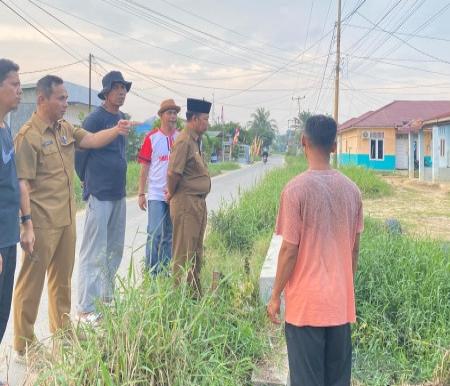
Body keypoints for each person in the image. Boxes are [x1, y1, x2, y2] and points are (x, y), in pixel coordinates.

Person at [13, 75, 134, 360]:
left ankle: (62, 331)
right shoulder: (28, 136)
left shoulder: (65, 129)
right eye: (61, 98)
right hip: (41, 223)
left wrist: (117, 130)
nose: (66, 104)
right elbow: (22, 186)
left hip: (66, 220)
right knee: (31, 284)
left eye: (67, 98)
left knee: (62, 281)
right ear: (42, 99)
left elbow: (91, 140)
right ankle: (24, 344)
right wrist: (26, 224)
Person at [267, 115, 364, 386]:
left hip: (306, 309)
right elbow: (353, 251)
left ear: (303, 142)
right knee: (337, 380)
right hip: (339, 306)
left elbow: (289, 250)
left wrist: (275, 296)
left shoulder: (295, 191)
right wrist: (343, 287)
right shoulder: (352, 191)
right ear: (334, 146)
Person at [75, 71, 132, 324]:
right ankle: (86, 307)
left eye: (124, 88)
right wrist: (86, 180)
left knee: (113, 250)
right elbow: (80, 153)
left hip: (118, 193)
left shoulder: (121, 118)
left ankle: (106, 301)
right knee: (93, 251)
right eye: (117, 87)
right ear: (106, 92)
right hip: (99, 192)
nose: (122, 92)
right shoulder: (94, 119)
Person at [167, 98, 211, 296]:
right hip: (186, 203)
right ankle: (176, 299)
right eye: (204, 119)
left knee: (195, 252)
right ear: (193, 119)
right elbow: (173, 174)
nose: (207, 123)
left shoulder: (195, 141)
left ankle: (193, 296)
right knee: (182, 254)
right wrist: (172, 194)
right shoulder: (184, 141)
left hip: (198, 203)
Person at [0, 59, 23, 386]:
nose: (20, 90)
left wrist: (26, 224)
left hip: (8, 234)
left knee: (2, 310)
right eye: (14, 85)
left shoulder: (5, 128)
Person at [137, 99, 180, 274]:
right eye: (169, 113)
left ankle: (164, 270)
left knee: (169, 235)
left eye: (175, 113)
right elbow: (144, 167)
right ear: (161, 116)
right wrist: (141, 193)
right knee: (154, 233)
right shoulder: (152, 138)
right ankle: (151, 272)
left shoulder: (180, 137)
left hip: (174, 194)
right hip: (155, 194)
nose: (172, 116)